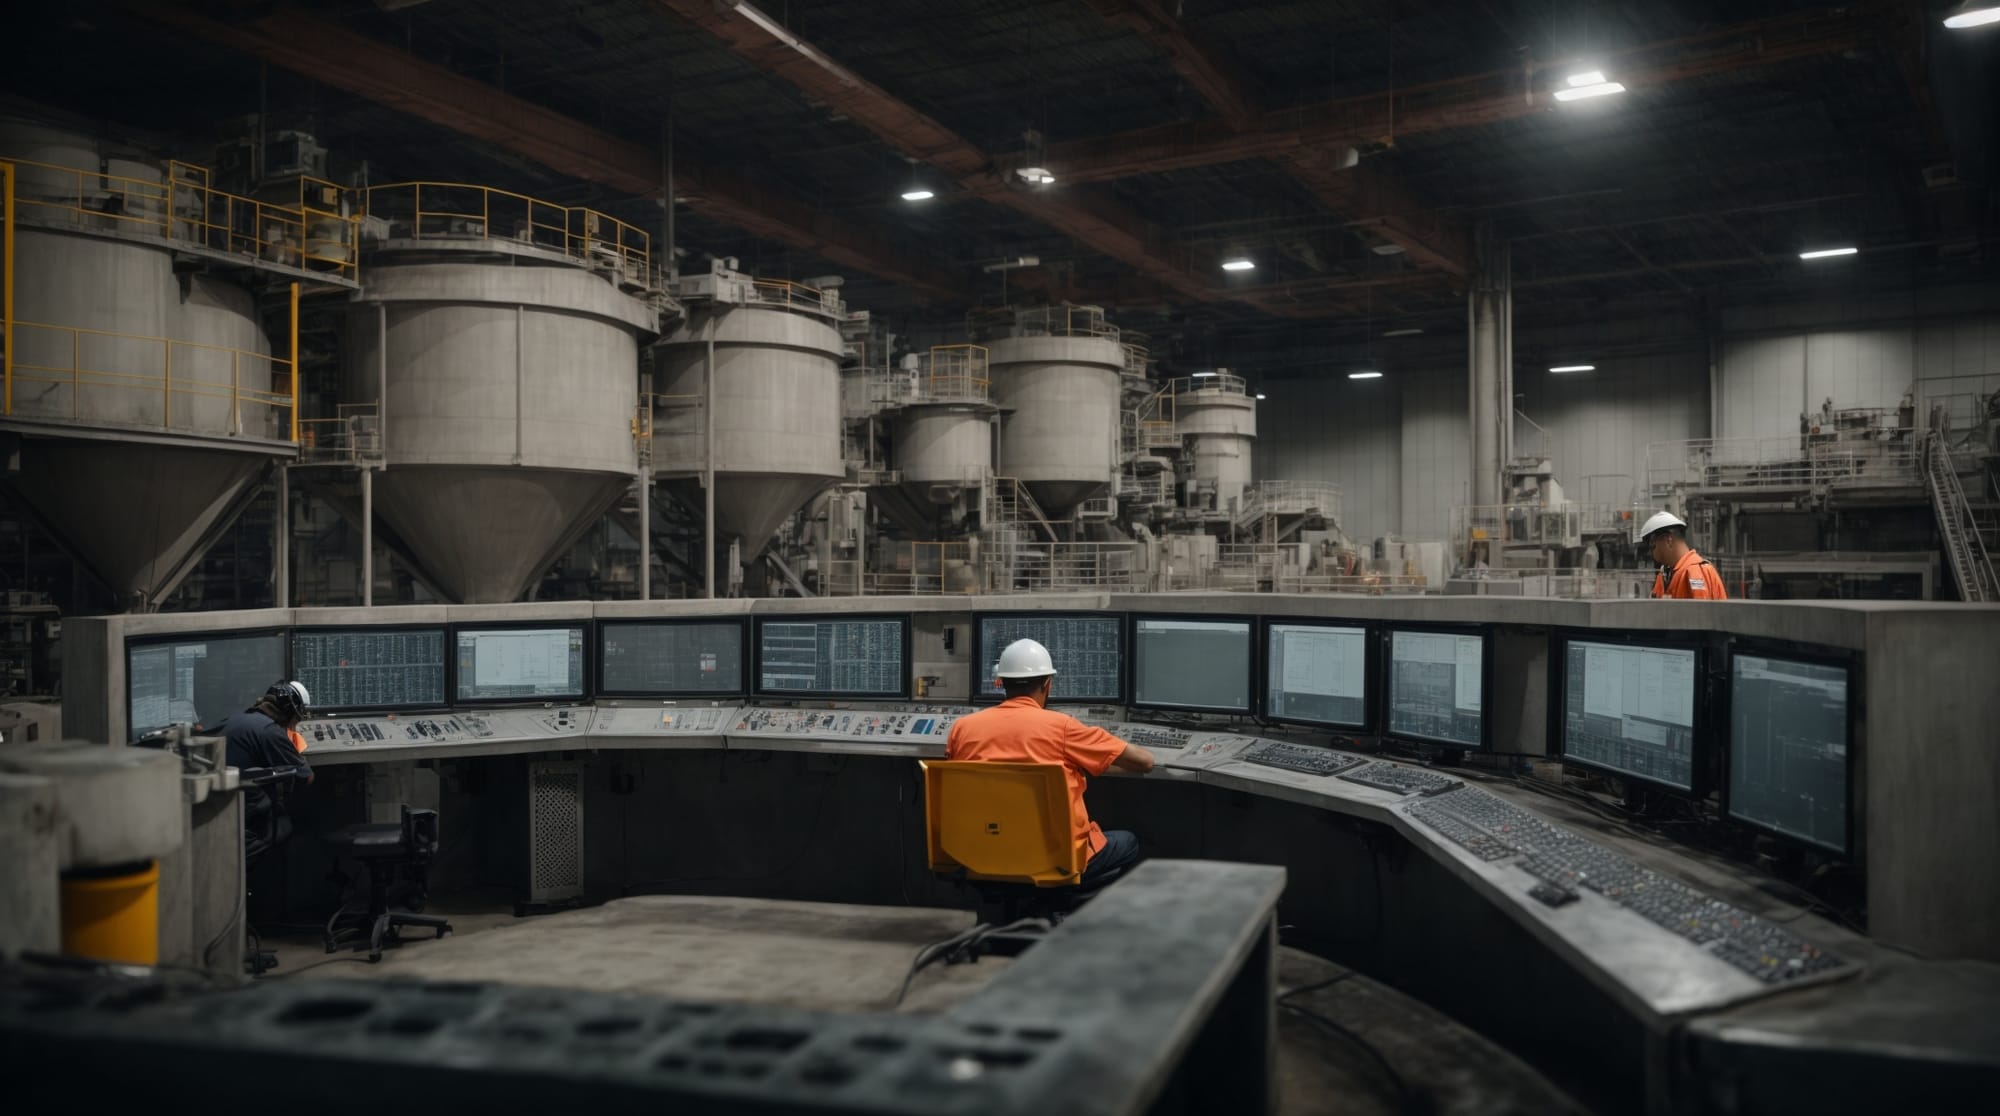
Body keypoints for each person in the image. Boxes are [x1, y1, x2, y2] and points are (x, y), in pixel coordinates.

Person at [946, 639, 1155, 887]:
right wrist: (1087, 761)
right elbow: (1144, 762)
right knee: (1129, 841)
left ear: (1001, 682)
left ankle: (1007, 911)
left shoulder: (962, 728)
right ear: (1047, 683)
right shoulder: (1063, 727)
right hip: (1055, 859)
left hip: (982, 854)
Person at [216, 681, 315, 841]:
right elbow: (306, 777)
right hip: (246, 815)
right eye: (296, 718)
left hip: (220, 807)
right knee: (286, 823)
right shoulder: (270, 731)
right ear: (289, 712)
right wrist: (295, 751)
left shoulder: (236, 719)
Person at [1639, 512, 1727, 600]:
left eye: (1652, 546)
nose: (1650, 553)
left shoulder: (1694, 572)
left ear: (1668, 541)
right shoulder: (1665, 575)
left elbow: (1701, 611)